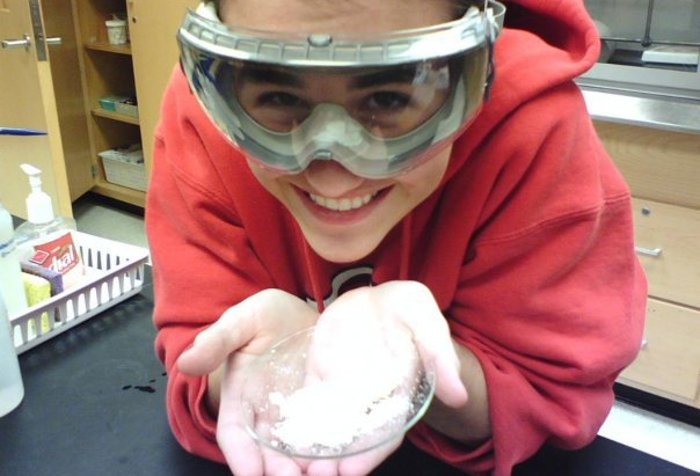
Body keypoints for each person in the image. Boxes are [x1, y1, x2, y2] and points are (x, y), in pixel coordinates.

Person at [145, 0, 647, 474]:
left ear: (475, 78)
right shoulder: (202, 117)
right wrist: (256, 367)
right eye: (276, 97)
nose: (334, 175)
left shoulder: (532, 131)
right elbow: (195, 354)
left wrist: (425, 368)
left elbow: (550, 394)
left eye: (390, 97)